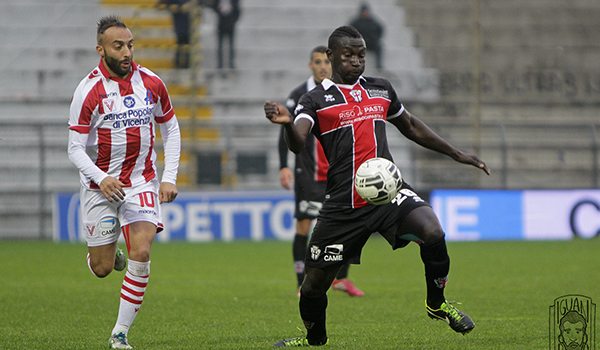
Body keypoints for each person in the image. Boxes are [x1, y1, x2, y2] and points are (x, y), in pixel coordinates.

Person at [265, 25, 490, 347]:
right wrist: (287, 124)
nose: (356, 61)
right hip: (344, 204)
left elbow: (410, 126)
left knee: (433, 232)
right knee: (314, 287)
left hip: (389, 194)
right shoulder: (314, 99)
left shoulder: (381, 90)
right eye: (348, 55)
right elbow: (299, 142)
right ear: (330, 57)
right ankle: (313, 338)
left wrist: (456, 154)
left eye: (361, 55)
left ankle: (437, 303)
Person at [67, 15, 181, 349]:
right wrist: (101, 179)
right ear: (101, 50)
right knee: (102, 268)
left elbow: (171, 129)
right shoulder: (88, 91)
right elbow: (74, 148)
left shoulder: (152, 83)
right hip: (99, 186)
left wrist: (169, 177)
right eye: (119, 46)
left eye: (130, 44)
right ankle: (107, 254)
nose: (127, 52)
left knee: (142, 251)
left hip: (141, 182)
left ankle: (119, 335)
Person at [279, 46, 364, 297]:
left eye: (327, 62)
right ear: (311, 66)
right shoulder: (299, 95)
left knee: (351, 226)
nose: (323, 66)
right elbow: (284, 132)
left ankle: (340, 279)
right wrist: (284, 165)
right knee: (304, 227)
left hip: (340, 173)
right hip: (309, 172)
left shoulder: (343, 91)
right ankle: (300, 283)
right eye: (318, 62)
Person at [349, 3, 384, 70]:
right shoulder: (356, 22)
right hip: (359, 44)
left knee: (379, 47)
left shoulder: (373, 21)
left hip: (371, 43)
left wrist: (376, 38)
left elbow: (380, 29)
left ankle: (378, 65)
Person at [158, 0, 191, 69]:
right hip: (180, 22)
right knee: (181, 41)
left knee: (185, 42)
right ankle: (180, 63)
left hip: (186, 22)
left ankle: (185, 64)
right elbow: (161, 4)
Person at [209, 0, 240, 69]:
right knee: (220, 46)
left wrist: (233, 21)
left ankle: (231, 63)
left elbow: (237, 11)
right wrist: (218, 8)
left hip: (230, 25)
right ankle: (220, 64)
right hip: (221, 24)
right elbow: (214, 6)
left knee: (231, 45)